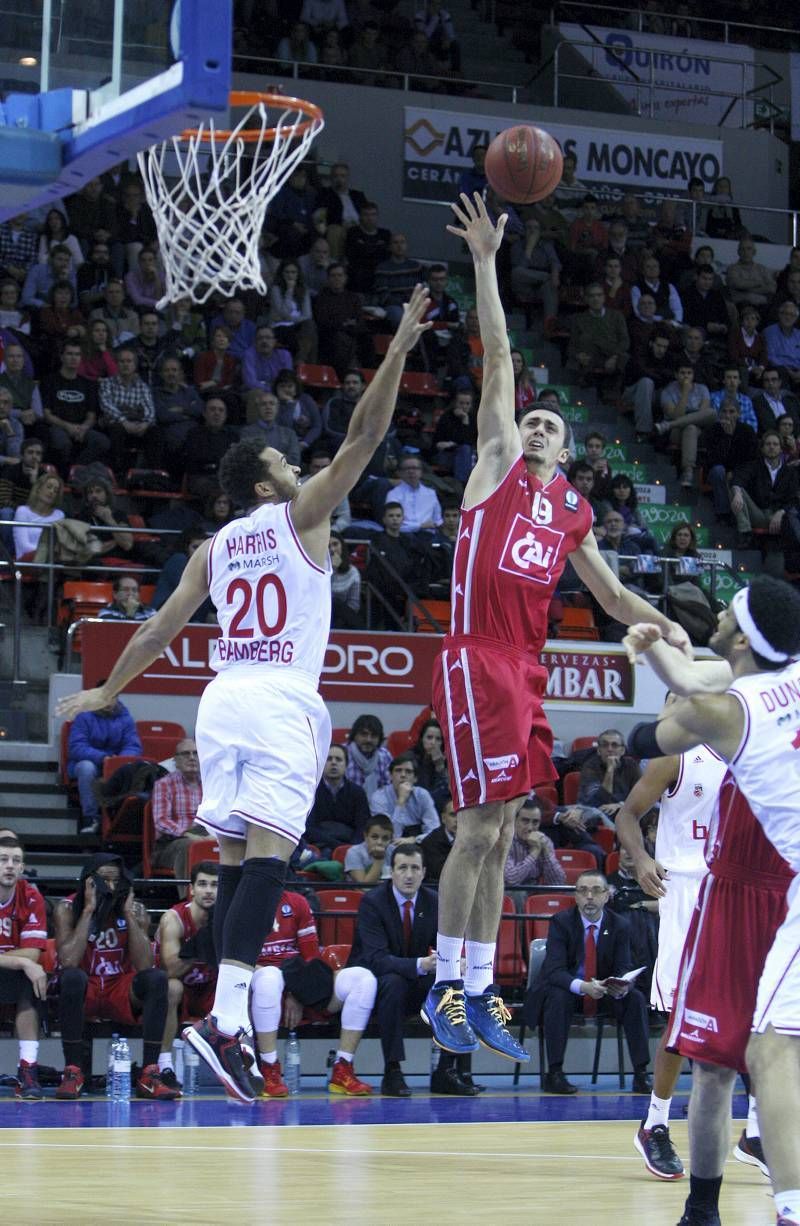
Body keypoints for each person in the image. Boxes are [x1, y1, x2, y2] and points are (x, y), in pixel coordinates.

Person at [55, 284, 432, 1103]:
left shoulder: (213, 547)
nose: (299, 470)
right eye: (285, 466)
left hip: (219, 698)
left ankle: (220, 1019)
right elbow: (367, 435)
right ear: (268, 487)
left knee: (230, 857)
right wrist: (398, 347)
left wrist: (106, 692)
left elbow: (155, 632)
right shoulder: (301, 516)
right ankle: (226, 1023)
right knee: (268, 858)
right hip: (280, 697)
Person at [423, 192, 689, 1064]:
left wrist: (674, 627)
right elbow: (498, 358)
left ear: (567, 453)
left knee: (503, 831)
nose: (536, 426)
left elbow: (613, 602)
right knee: (474, 828)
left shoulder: (572, 512)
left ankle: (479, 984)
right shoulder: (495, 468)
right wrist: (486, 262)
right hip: (473, 660)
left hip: (524, 670)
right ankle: (448, 984)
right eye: (531, 420)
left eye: (551, 426)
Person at [623, 576, 800, 1226]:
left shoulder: (723, 712)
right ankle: (703, 1207)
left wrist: (656, 658)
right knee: (720, 1063)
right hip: (732, 888)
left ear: (743, 640)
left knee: (772, 1051)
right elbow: (710, 672)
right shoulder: (777, 671)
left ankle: (789, 1206)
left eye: (727, 614)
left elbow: (660, 730)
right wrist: (664, 654)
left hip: (782, 888)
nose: (718, 618)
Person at [616, 738, 726, 1181]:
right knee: (682, 1017)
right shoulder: (680, 758)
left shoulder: (761, 751)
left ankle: (756, 1130)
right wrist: (641, 857)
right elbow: (628, 814)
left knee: (757, 1017)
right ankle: (655, 1122)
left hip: (741, 891)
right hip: (685, 889)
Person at [54, 853, 179, 1100]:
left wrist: (129, 916)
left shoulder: (136, 911)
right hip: (85, 985)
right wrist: (89, 909)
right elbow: (67, 960)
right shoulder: (67, 908)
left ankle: (149, 1074)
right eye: (104, 881)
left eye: (116, 881)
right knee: (71, 977)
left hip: (118, 989)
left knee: (157, 979)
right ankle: (73, 1072)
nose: (110, 887)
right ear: (89, 883)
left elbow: (144, 965)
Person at [523, 869, 652, 1095]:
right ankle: (554, 1073)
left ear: (606, 895)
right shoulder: (561, 922)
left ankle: (641, 1073)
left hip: (604, 991)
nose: (589, 897)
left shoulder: (620, 924)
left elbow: (624, 965)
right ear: (575, 896)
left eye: (595, 891)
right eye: (583, 891)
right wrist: (583, 987)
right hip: (571, 990)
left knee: (635, 999)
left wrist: (619, 986)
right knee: (557, 996)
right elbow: (554, 970)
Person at [250, 888, 376, 1097]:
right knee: (270, 978)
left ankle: (343, 1067)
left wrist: (296, 991)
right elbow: (238, 961)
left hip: (299, 980)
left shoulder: (297, 902)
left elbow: (310, 957)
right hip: (259, 981)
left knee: (363, 978)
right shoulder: (242, 904)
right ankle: (269, 1069)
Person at [348, 842, 438, 1097]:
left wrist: (454, 962)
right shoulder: (373, 902)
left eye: (414, 868)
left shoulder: (434, 901)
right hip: (374, 984)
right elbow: (376, 959)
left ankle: (449, 1070)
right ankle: (392, 1070)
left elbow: (444, 945)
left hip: (413, 980)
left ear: (423, 872)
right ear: (392, 871)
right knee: (393, 983)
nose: (409, 875)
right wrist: (420, 964)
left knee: (452, 985)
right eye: (402, 868)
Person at [155, 860, 219, 1087]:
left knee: (244, 986)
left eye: (214, 885)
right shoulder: (173, 919)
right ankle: (165, 1064)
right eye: (202, 884)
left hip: (209, 989)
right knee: (172, 987)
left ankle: (248, 1063)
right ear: (191, 889)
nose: (209, 891)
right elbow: (171, 969)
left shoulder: (226, 918)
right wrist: (201, 942)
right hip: (177, 992)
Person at [0, 836, 48, 1100]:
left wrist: (25, 961)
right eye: (3, 860)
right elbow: (26, 957)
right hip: (14, 965)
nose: (9, 866)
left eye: (15, 861)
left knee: (34, 980)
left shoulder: (31, 896)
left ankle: (28, 1069)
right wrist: (21, 960)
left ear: (22, 867)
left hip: (10, 977)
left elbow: (33, 952)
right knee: (29, 968)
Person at [66, 692, 143, 835]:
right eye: (104, 698)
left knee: (130, 767)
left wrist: (118, 761)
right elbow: (76, 747)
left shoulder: (126, 718)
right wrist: (103, 758)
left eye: (112, 697)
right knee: (86, 768)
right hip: (88, 763)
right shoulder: (83, 717)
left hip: (115, 763)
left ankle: (122, 820)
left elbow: (133, 746)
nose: (108, 702)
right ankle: (90, 818)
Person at [149, 739, 209, 880]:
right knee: (188, 846)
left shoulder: (210, 784)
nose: (192, 757)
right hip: (172, 842)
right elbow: (161, 821)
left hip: (206, 834)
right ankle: (188, 897)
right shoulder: (164, 784)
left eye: (196, 753)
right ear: (175, 760)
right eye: (185, 754)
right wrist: (187, 834)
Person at [304, 743, 371, 857]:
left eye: (338, 759)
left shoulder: (358, 793)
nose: (333, 763)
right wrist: (337, 846)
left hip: (351, 847)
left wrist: (350, 849)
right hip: (320, 846)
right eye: (329, 759)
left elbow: (362, 827)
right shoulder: (311, 791)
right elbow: (308, 828)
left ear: (346, 765)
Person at [656, 362, 714, 488]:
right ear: (676, 375)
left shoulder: (702, 389)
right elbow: (676, 415)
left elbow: (704, 413)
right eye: (682, 373)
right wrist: (685, 393)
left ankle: (668, 425)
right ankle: (688, 471)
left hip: (699, 429)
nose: (686, 377)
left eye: (689, 373)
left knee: (710, 414)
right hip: (677, 431)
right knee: (690, 428)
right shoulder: (668, 391)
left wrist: (689, 418)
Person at [369, 753, 439, 841]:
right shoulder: (379, 798)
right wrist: (401, 801)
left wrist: (414, 840)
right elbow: (387, 836)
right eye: (398, 770)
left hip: (418, 844)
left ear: (415, 778)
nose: (403, 775)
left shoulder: (422, 795)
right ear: (390, 775)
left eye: (408, 771)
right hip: (389, 846)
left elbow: (434, 830)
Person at [578, 728, 641, 820]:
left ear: (622, 750)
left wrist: (621, 805)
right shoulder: (590, 767)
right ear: (599, 750)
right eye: (605, 745)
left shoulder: (631, 765)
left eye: (614, 745)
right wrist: (610, 770)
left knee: (654, 810)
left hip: (624, 809)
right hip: (598, 811)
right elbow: (596, 801)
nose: (610, 749)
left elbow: (641, 795)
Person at [503, 803, 565, 890]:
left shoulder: (544, 841)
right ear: (515, 821)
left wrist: (546, 852)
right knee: (518, 894)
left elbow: (558, 883)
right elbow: (511, 881)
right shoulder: (504, 842)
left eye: (535, 822)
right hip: (508, 891)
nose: (530, 828)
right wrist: (534, 852)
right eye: (525, 821)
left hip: (534, 888)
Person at [387, 454, 443, 533]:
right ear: (400, 473)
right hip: (403, 536)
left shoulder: (431, 493)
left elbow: (438, 520)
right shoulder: (393, 494)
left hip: (428, 537)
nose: (411, 471)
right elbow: (393, 524)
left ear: (421, 472)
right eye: (407, 468)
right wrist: (420, 526)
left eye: (415, 468)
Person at [344, 813, 393, 885]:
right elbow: (364, 887)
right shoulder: (353, 853)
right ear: (366, 836)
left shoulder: (395, 852)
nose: (379, 842)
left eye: (385, 838)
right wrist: (379, 859)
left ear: (391, 839)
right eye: (374, 837)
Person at [420, 795, 457, 882]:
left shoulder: (473, 839)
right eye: (453, 815)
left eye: (461, 815)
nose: (458, 819)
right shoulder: (429, 842)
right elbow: (440, 873)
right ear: (443, 818)